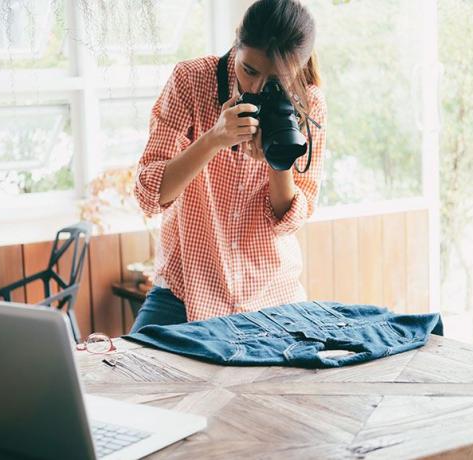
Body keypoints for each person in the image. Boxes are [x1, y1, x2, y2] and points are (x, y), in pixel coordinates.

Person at [131, 0, 327, 331]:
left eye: (275, 79)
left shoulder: (309, 105)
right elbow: (149, 195)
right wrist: (213, 139)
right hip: (185, 290)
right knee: (134, 375)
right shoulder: (191, 81)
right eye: (249, 69)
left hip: (271, 294)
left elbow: (288, 221)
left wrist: (276, 162)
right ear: (237, 42)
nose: (255, 87)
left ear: (299, 67)